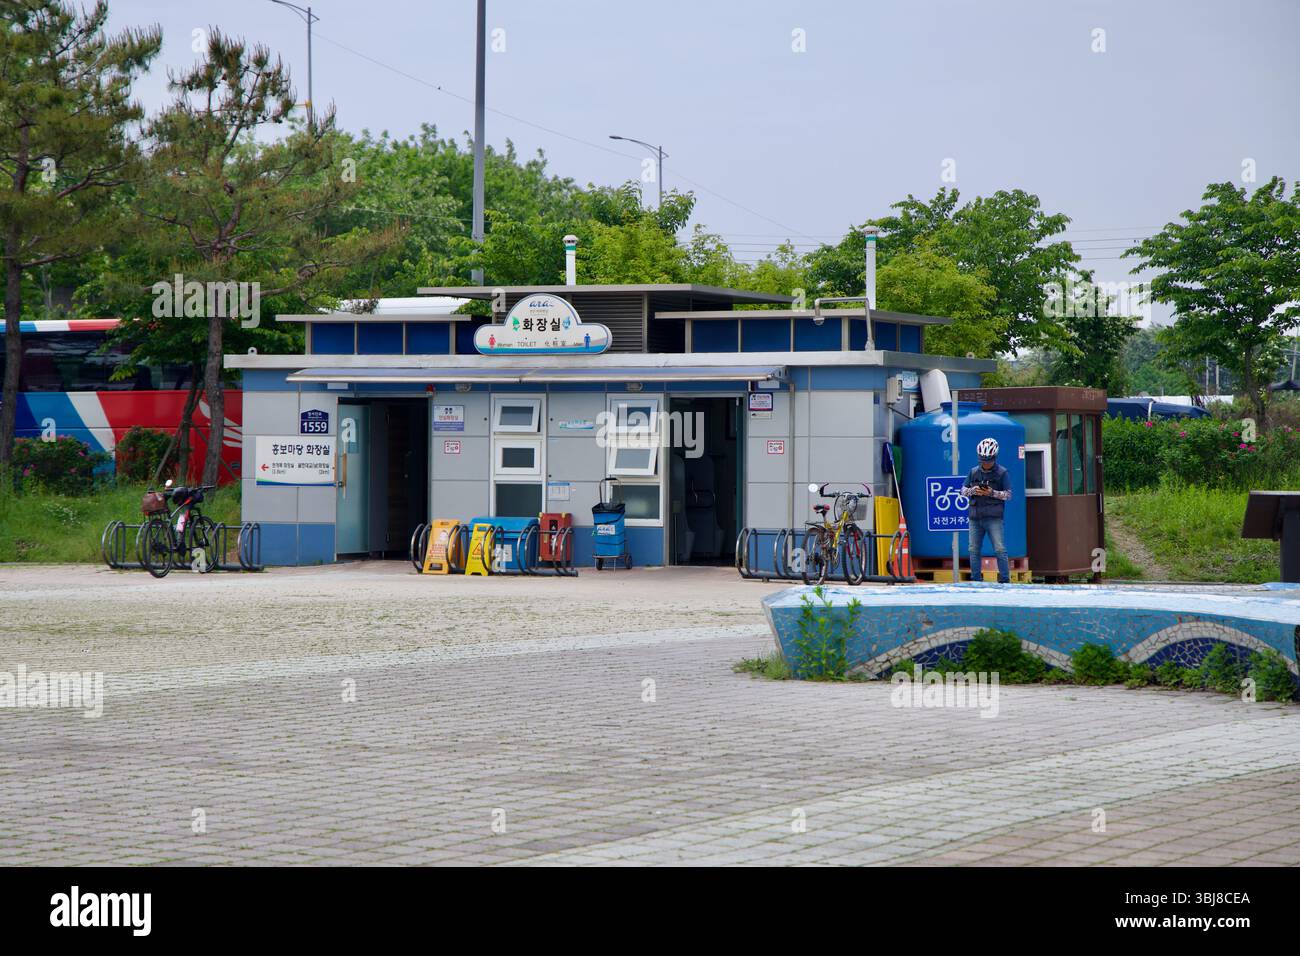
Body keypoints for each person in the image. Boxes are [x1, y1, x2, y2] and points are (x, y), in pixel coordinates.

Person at [962, 437, 1012, 583]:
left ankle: (1004, 579)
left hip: (994, 517)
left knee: (999, 549)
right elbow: (962, 490)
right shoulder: (973, 472)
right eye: (983, 460)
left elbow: (1008, 495)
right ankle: (976, 579)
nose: (986, 463)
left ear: (994, 458)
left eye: (989, 460)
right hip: (975, 517)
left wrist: (992, 493)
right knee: (973, 549)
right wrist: (973, 490)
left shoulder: (1002, 473)